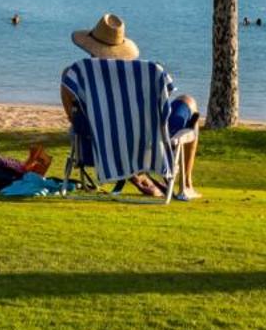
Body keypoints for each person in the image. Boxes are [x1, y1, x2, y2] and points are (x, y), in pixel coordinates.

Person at [60, 13, 202, 201]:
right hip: (148, 143)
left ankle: (131, 168)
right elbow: (162, 109)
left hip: (94, 146)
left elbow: (74, 119)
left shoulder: (74, 76)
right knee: (188, 102)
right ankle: (187, 186)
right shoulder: (144, 75)